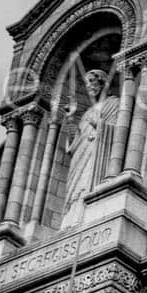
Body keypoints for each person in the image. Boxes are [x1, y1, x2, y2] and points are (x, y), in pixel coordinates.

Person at [59, 68, 120, 230]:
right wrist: (71, 118)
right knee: (75, 189)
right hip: (81, 155)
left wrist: (98, 124)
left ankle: (84, 216)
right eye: (87, 84)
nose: (89, 87)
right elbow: (75, 142)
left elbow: (117, 133)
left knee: (85, 186)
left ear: (103, 83)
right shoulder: (87, 112)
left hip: (97, 155)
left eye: (92, 82)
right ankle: (70, 222)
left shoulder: (114, 103)